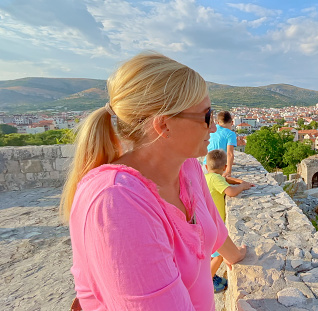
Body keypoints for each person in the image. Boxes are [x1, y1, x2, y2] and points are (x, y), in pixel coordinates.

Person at [60, 52, 247, 311]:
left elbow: (211, 225)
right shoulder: (117, 203)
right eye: (206, 116)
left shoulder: (187, 167)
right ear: (163, 125)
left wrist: (237, 256)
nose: (213, 128)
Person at [204, 149, 254, 292]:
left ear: (207, 167)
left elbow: (224, 180)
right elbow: (230, 191)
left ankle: (211, 277)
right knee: (219, 254)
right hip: (214, 225)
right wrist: (242, 186)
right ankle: (208, 281)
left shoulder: (206, 177)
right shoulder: (216, 178)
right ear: (225, 167)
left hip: (205, 222)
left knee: (211, 254)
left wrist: (239, 181)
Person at [206, 111, 237, 177]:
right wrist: (228, 171)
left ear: (218, 122)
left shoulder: (212, 130)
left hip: (207, 164)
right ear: (232, 122)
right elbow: (230, 153)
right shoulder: (230, 134)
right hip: (218, 166)